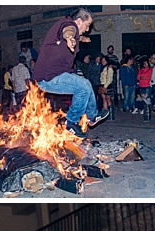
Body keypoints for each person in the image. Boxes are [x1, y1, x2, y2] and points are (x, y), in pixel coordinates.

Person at [32, 7, 109, 138]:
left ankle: (92, 116)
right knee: (83, 86)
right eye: (87, 25)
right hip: (49, 77)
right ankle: (71, 123)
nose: (88, 29)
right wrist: (69, 38)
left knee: (86, 85)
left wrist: (81, 38)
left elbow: (76, 34)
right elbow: (68, 30)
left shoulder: (74, 32)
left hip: (57, 75)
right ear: (79, 21)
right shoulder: (68, 24)